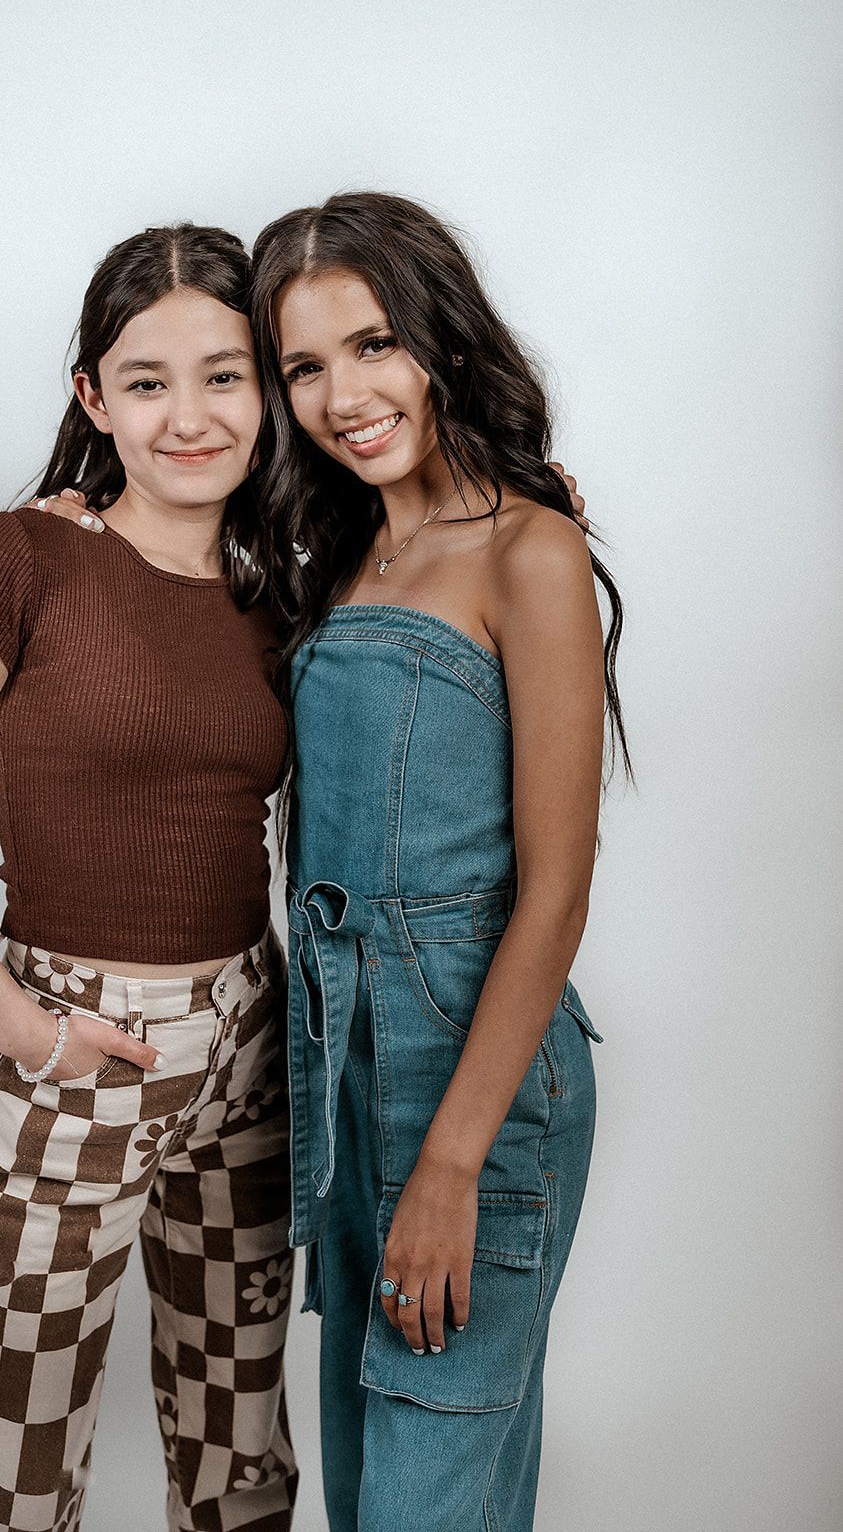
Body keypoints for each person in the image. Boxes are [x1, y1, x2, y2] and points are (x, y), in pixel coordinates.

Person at [0, 225, 299, 1532]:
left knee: (243, 1466)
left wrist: (529, 500)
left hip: (252, 1050)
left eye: (224, 375)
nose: (189, 417)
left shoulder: (285, 581)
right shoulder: (25, 558)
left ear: (267, 388)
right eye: (148, 382)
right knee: (22, 1476)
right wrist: (25, 1029)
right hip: (74, 1055)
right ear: (94, 398)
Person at [245, 190, 629, 1532]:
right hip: (339, 1068)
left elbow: (556, 893)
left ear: (441, 338)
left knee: (426, 1493)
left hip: (479, 1074)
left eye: (373, 345)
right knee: (379, 1492)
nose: (343, 396)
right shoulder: (338, 552)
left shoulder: (532, 549)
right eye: (304, 365)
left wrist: (452, 1165)